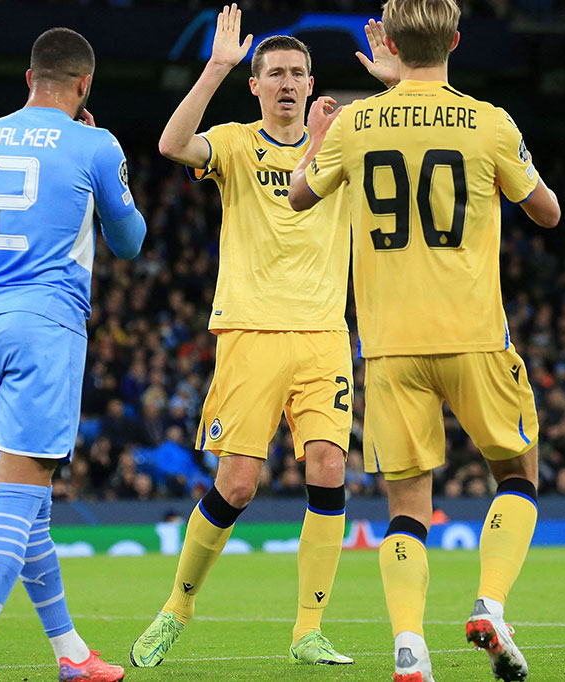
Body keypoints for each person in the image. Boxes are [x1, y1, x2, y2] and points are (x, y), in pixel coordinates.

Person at [288, 0, 561, 679]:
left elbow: (298, 196)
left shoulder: (354, 123)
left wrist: (331, 135)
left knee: (407, 509)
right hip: (473, 335)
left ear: (394, 47)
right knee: (518, 472)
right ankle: (490, 606)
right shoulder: (490, 120)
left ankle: (409, 645)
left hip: (389, 345)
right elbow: (548, 211)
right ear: (457, 40)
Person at [130, 5, 396, 667]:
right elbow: (169, 145)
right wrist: (215, 66)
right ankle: (178, 607)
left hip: (324, 333)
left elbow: (409, 139)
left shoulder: (342, 143)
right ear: (255, 85)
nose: (285, 81)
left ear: (311, 86)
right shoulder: (234, 143)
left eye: (296, 73)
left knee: (330, 468)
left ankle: (308, 630)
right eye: (273, 72)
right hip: (249, 330)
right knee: (240, 484)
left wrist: (395, 86)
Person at [0, 27, 146, 682]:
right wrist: (110, 172)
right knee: (15, 505)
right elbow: (129, 242)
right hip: (44, 328)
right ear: (85, 87)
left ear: (29, 79)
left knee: (31, 505)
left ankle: (71, 655)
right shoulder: (95, 144)